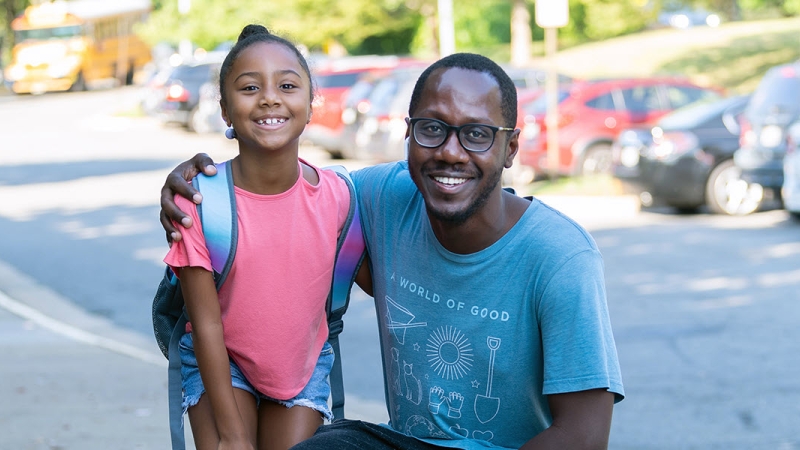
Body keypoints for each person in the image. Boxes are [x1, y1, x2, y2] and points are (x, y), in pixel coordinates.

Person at [160, 52, 624, 449]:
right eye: (432, 129)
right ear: (407, 133)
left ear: (511, 147)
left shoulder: (561, 256)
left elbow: (583, 437)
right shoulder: (377, 197)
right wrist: (200, 185)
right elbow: (283, 195)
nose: (451, 152)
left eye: (477, 134)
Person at [162, 24, 364, 450]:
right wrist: (234, 436)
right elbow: (206, 325)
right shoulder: (199, 201)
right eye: (250, 87)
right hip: (221, 362)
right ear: (225, 109)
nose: (270, 97)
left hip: (301, 367)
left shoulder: (341, 197)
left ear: (311, 103)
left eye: (288, 85)